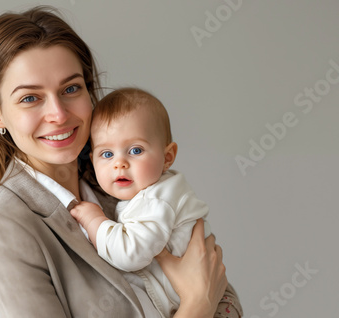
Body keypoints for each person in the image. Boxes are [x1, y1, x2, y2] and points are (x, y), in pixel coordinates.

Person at [0, 5, 242, 318]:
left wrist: (208, 296)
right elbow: (206, 292)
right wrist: (197, 303)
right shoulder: (3, 231)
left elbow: (224, 293)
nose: (59, 115)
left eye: (71, 88)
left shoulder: (125, 179)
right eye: (30, 98)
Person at [70, 88, 237, 317]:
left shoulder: (157, 200)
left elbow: (131, 253)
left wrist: (95, 220)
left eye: (135, 150)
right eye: (107, 154)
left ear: (167, 157)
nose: (120, 163)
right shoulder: (151, 193)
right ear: (93, 160)